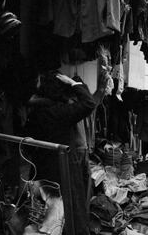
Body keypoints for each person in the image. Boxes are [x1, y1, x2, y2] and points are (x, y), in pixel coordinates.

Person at [25, 72, 96, 235]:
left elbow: (27, 144)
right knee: (69, 211)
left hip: (41, 169)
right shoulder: (59, 112)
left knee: (44, 212)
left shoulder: (35, 113)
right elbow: (89, 103)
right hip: (64, 171)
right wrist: (74, 83)